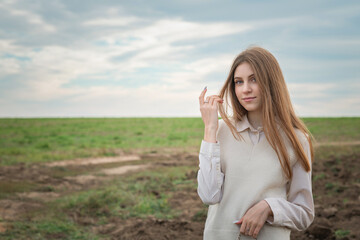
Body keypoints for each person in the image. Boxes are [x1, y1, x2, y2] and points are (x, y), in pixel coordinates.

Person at [197, 46, 315, 240]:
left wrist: (270, 207)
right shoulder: (220, 131)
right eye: (238, 82)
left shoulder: (298, 139)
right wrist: (210, 129)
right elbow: (209, 196)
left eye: (254, 79)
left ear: (271, 82)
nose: (246, 89)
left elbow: (304, 214)